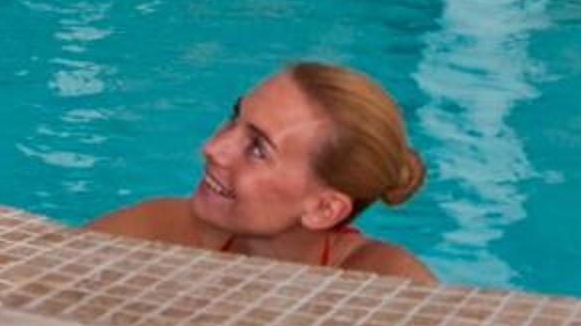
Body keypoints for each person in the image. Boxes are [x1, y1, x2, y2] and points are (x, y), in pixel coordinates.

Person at [88, 63, 435, 281]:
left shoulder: (385, 284)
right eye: (234, 118)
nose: (213, 148)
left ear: (323, 209)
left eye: (257, 148)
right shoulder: (165, 232)